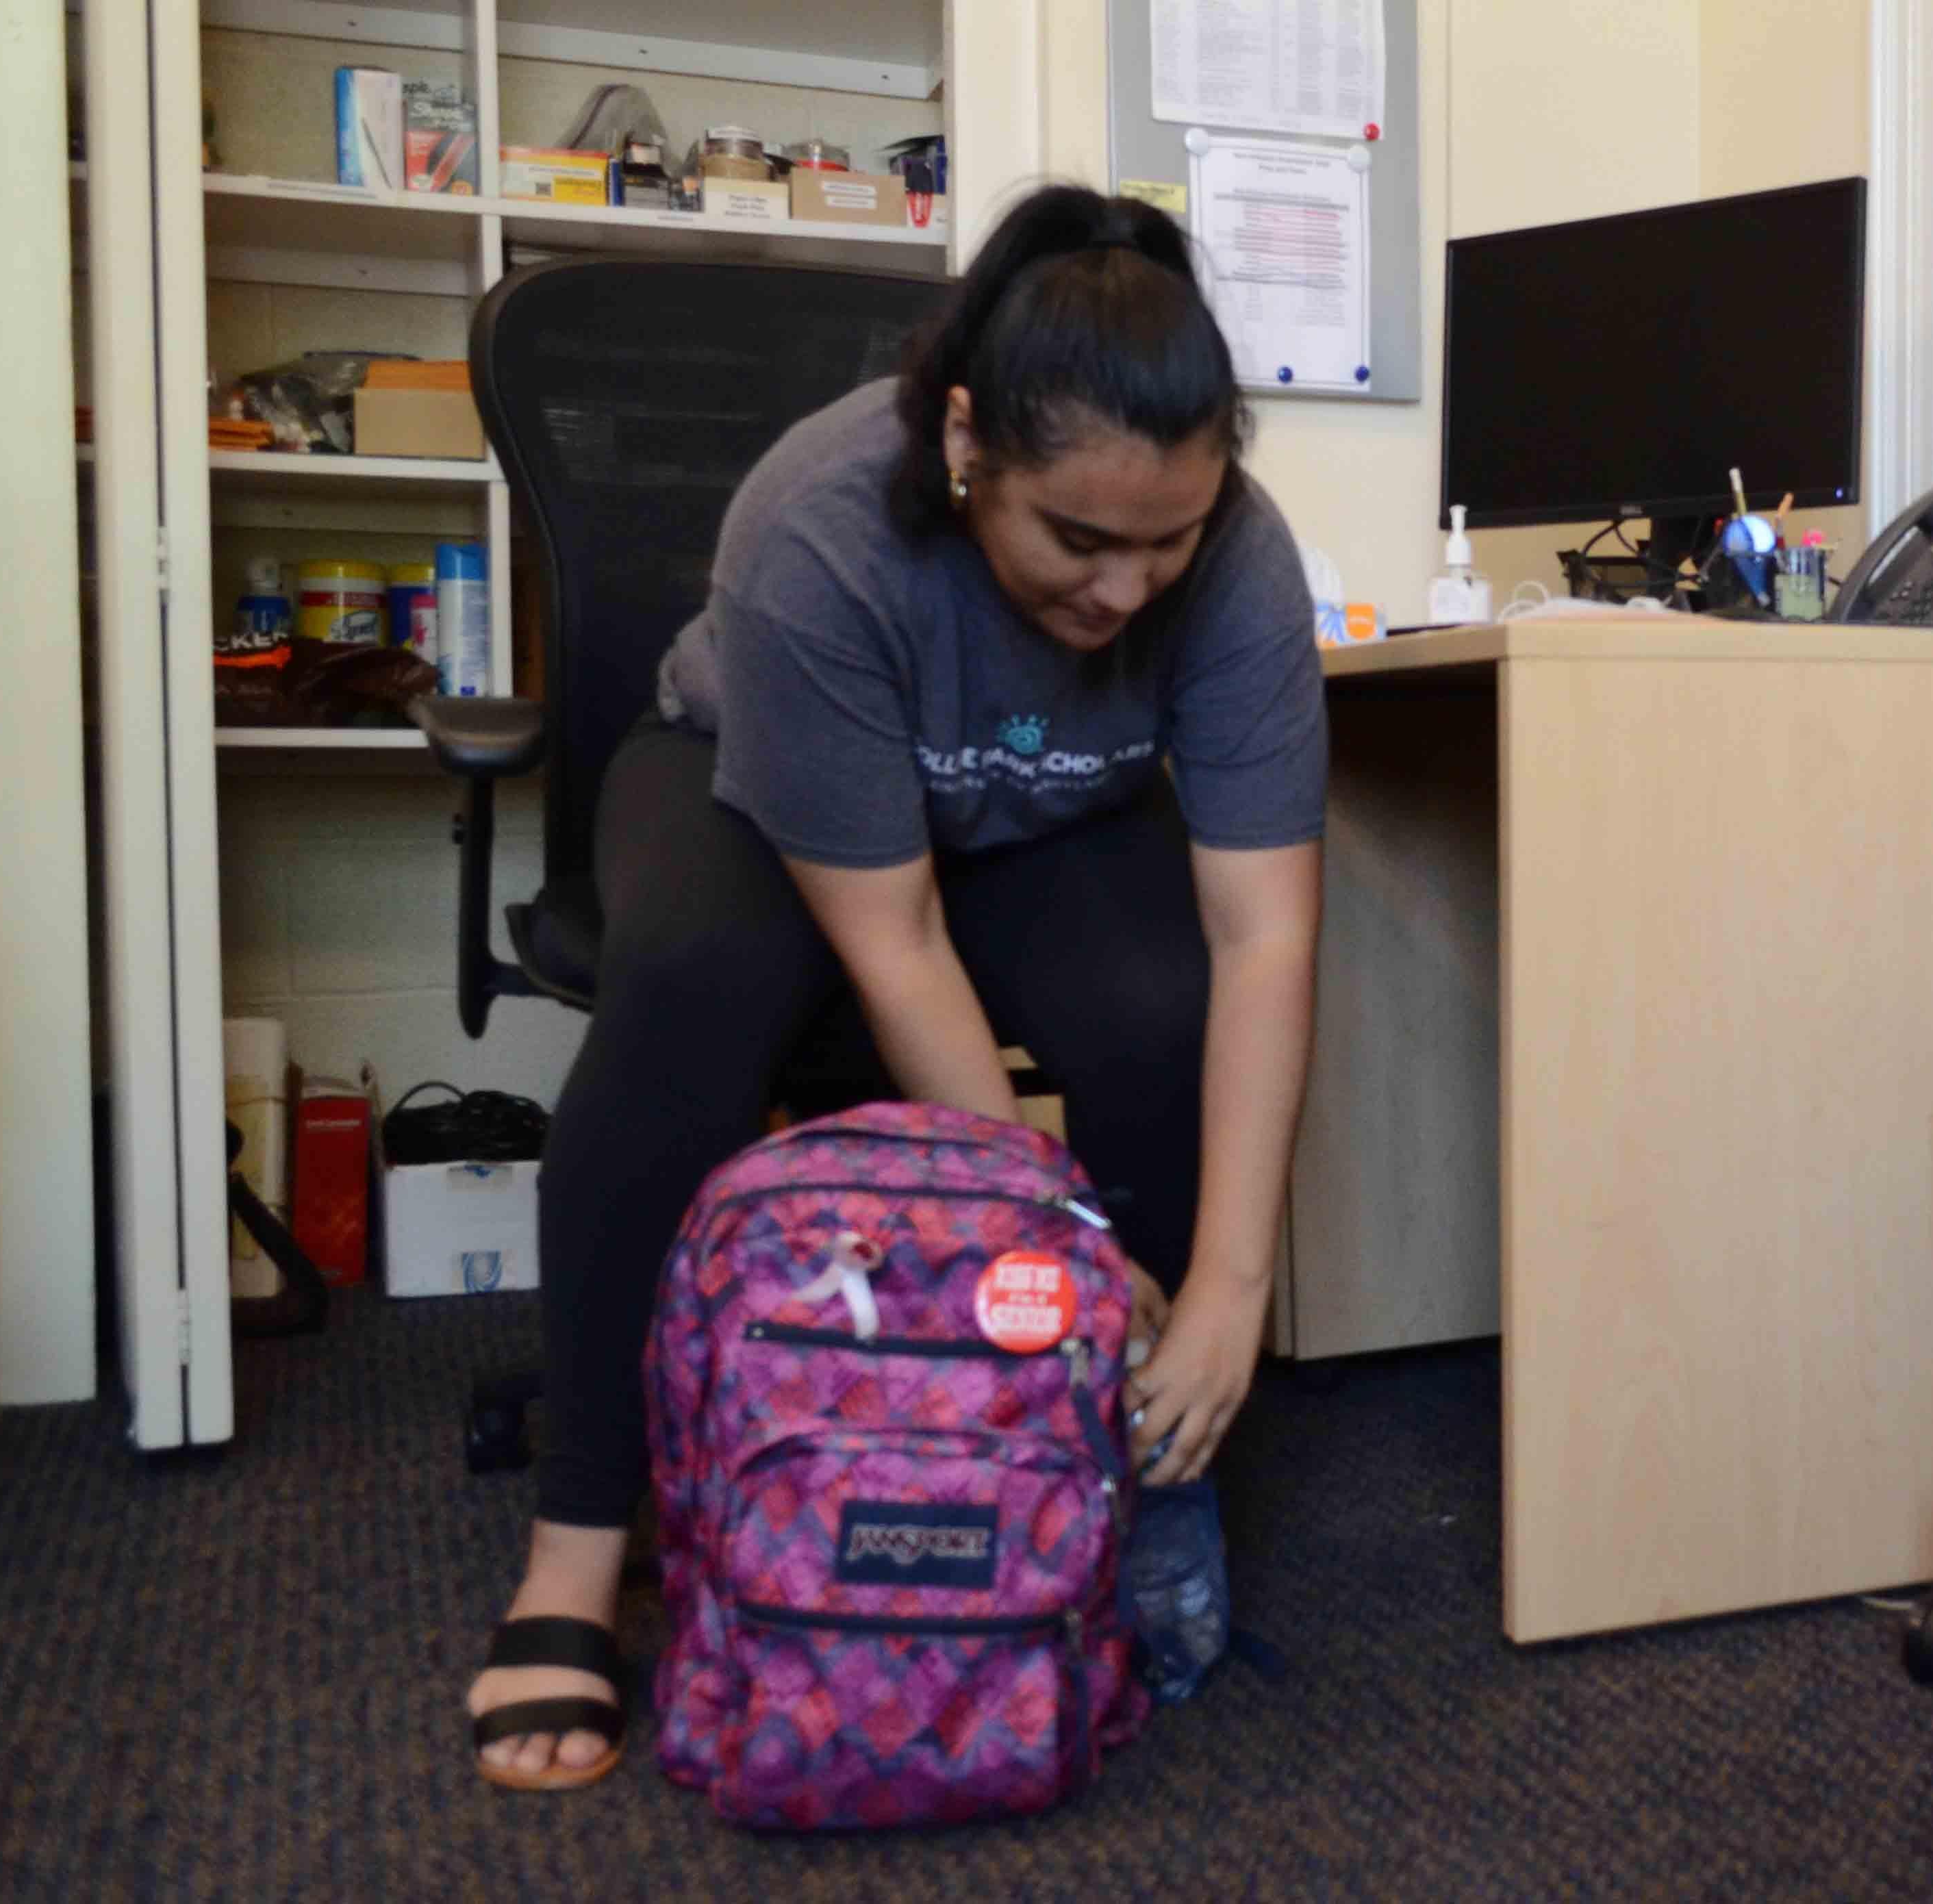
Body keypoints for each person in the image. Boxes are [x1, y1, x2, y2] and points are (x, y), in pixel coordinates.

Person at [465, 184, 1326, 1789]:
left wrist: (1227, 1290)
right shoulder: (821, 525)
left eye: (1170, 540)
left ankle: (1112, 1469)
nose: (1127, 593)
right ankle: (575, 1547)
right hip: (750, 782)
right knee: (691, 985)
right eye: (1078, 538)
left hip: (1041, 808)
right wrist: (1065, 1247)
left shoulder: (1244, 564)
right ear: (962, 445)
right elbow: (897, 941)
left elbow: (1263, 935)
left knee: (1158, 1003)